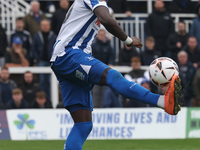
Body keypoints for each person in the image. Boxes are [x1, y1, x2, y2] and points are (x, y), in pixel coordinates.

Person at [50, 1, 181, 150]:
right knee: (113, 77)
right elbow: (106, 20)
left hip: (62, 59)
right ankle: (162, 102)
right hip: (69, 54)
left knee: (83, 125)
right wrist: (128, 40)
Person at [32, 19, 56, 99]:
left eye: (46, 25)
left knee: (50, 81)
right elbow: (33, 48)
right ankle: (43, 99)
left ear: (49, 26)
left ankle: (49, 100)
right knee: (42, 81)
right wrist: (37, 58)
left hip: (51, 62)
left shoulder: (53, 36)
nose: (45, 27)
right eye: (43, 25)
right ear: (40, 26)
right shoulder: (37, 36)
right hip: (41, 61)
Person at [91, 29, 114, 108]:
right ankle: (95, 108)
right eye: (100, 35)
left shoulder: (108, 45)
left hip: (105, 71)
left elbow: (111, 56)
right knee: (96, 91)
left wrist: (110, 64)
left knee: (105, 91)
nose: (102, 36)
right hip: (96, 71)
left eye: (103, 35)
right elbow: (92, 57)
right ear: (97, 35)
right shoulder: (93, 45)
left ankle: (104, 108)